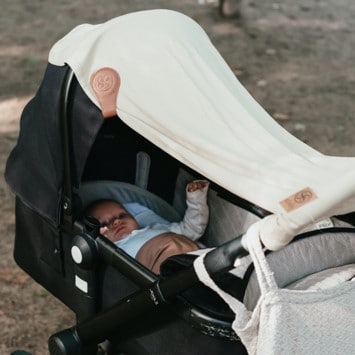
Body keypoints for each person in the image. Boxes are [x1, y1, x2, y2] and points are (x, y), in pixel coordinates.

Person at [86, 180, 209, 273]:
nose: (116, 222)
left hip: (194, 258)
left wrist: (195, 199)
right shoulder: (112, 251)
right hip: (158, 266)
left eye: (122, 215)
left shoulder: (157, 228)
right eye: (104, 224)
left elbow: (192, 229)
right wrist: (98, 242)